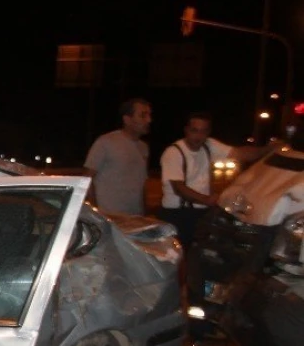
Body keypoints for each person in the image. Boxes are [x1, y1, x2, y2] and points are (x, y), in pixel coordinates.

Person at [159, 111, 281, 249]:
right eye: (194, 131)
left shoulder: (209, 145)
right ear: (186, 130)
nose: (198, 136)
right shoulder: (174, 153)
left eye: (203, 132)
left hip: (200, 212)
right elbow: (179, 188)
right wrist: (208, 200)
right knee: (177, 255)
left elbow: (242, 154)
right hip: (178, 215)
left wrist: (269, 148)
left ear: (208, 132)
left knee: (200, 252)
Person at [84, 98, 153, 215]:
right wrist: (96, 213)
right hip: (110, 217)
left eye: (149, 115)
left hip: (135, 218)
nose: (149, 120)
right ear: (127, 119)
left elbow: (141, 185)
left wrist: (145, 213)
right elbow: (87, 178)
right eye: (143, 116)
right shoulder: (106, 142)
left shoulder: (143, 147)